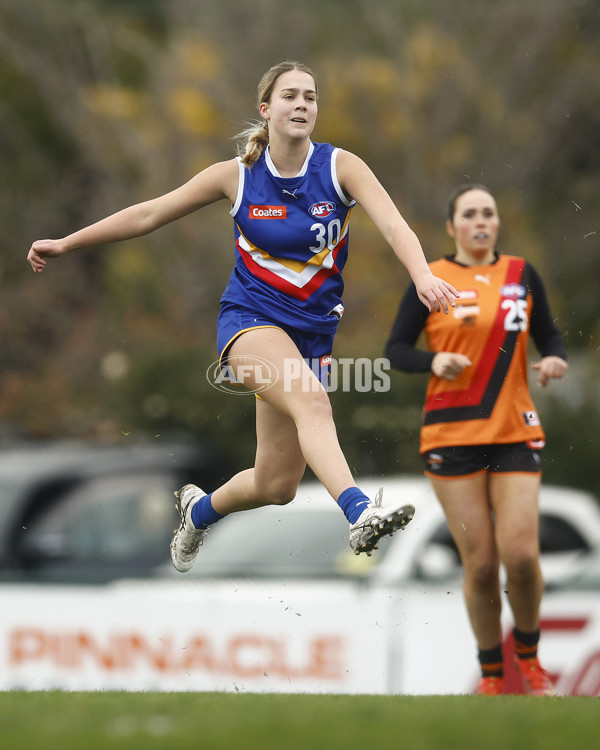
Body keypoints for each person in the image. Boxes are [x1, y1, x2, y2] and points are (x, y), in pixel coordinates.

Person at [27, 60, 457, 574]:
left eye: (311, 97)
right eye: (290, 96)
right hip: (249, 322)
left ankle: (198, 510)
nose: (302, 104)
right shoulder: (236, 176)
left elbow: (395, 226)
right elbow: (147, 214)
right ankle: (361, 513)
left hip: (312, 336)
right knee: (314, 404)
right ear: (266, 109)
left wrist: (422, 275)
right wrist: (68, 242)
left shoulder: (341, 167)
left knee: (276, 485)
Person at [385, 184, 568, 696]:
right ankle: (492, 676)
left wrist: (555, 358)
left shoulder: (520, 273)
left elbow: (549, 335)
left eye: (488, 213)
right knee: (482, 565)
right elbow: (395, 349)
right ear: (452, 227)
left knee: (522, 555)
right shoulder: (432, 278)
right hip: (452, 433)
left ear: (497, 223)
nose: (481, 221)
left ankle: (529, 661)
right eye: (470, 214)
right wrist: (432, 360)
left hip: (514, 429)